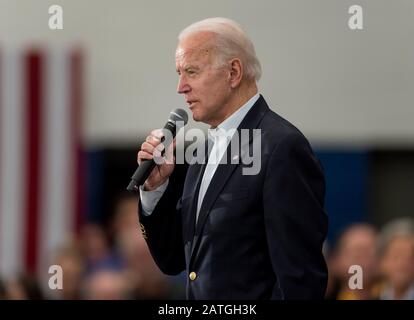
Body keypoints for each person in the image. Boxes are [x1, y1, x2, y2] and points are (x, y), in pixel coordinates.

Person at [136, 17, 328, 299]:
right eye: (179, 73)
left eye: (191, 71)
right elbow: (174, 260)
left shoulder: (281, 147)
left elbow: (300, 280)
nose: (181, 87)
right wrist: (155, 191)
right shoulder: (201, 150)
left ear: (234, 72)